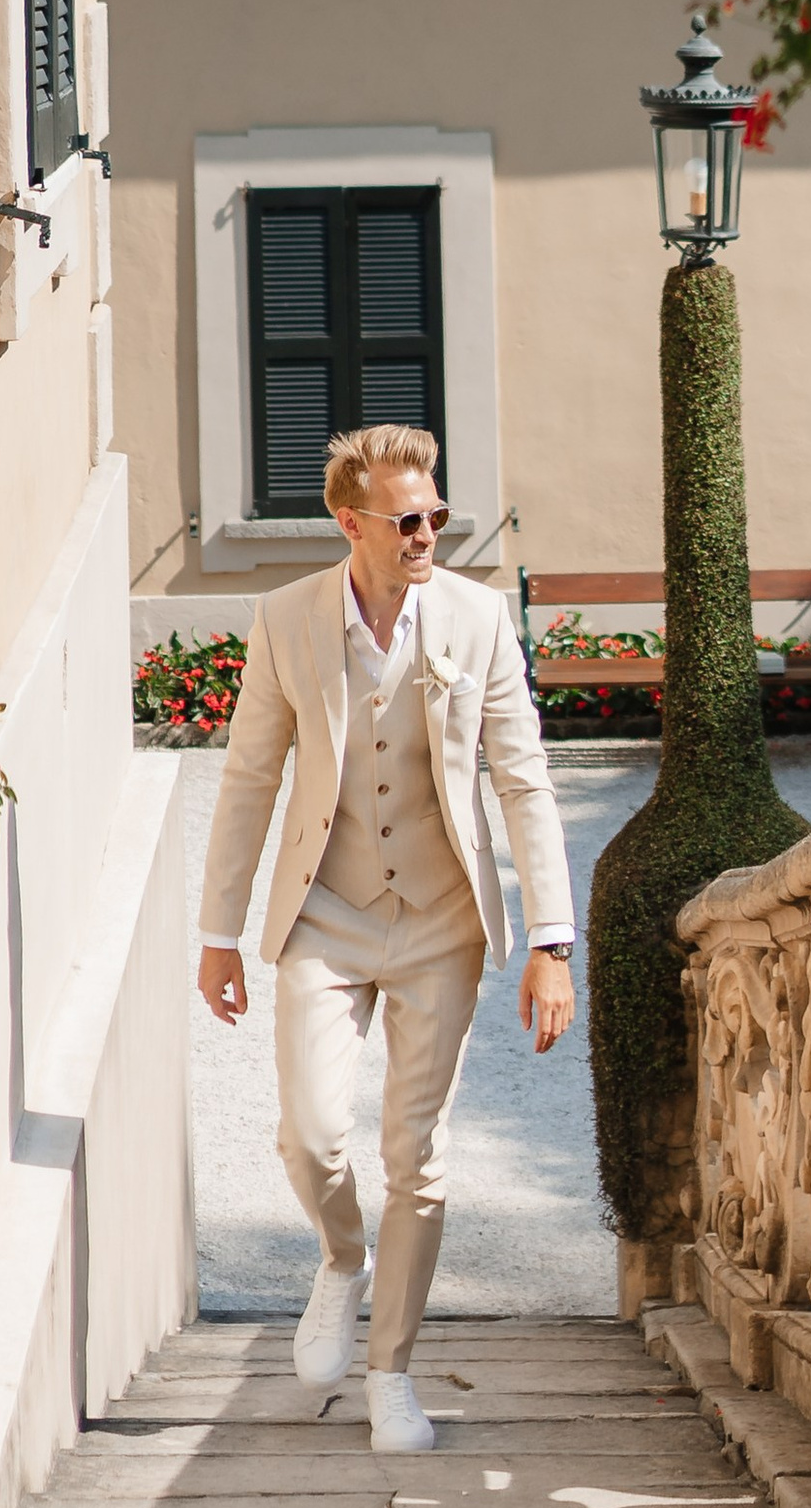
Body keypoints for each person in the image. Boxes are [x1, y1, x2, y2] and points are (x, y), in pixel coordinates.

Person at [196, 422, 576, 1455]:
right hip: (324, 911)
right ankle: (340, 1259)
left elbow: (522, 777)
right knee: (310, 1134)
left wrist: (552, 939)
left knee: (418, 1154)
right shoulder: (285, 621)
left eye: (436, 515)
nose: (426, 534)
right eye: (406, 520)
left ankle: (390, 1372)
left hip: (441, 920)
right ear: (349, 521)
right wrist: (217, 931)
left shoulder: (477, 619)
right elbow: (248, 778)